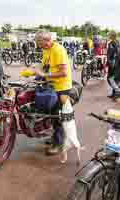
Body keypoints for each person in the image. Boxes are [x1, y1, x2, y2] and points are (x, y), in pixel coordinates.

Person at [31, 31, 81, 163]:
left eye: (39, 43)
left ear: (47, 41)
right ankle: (55, 137)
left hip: (62, 88)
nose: (38, 45)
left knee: (58, 116)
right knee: (52, 114)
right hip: (52, 86)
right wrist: (34, 72)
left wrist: (45, 75)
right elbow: (45, 66)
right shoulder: (46, 50)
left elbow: (63, 72)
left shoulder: (58, 50)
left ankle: (58, 144)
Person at [107, 31, 120, 98]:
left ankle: (117, 91)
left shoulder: (112, 43)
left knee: (110, 79)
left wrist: (109, 63)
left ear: (111, 36)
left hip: (114, 64)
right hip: (117, 64)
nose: (108, 36)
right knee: (116, 79)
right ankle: (114, 94)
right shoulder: (118, 42)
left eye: (109, 35)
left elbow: (111, 55)